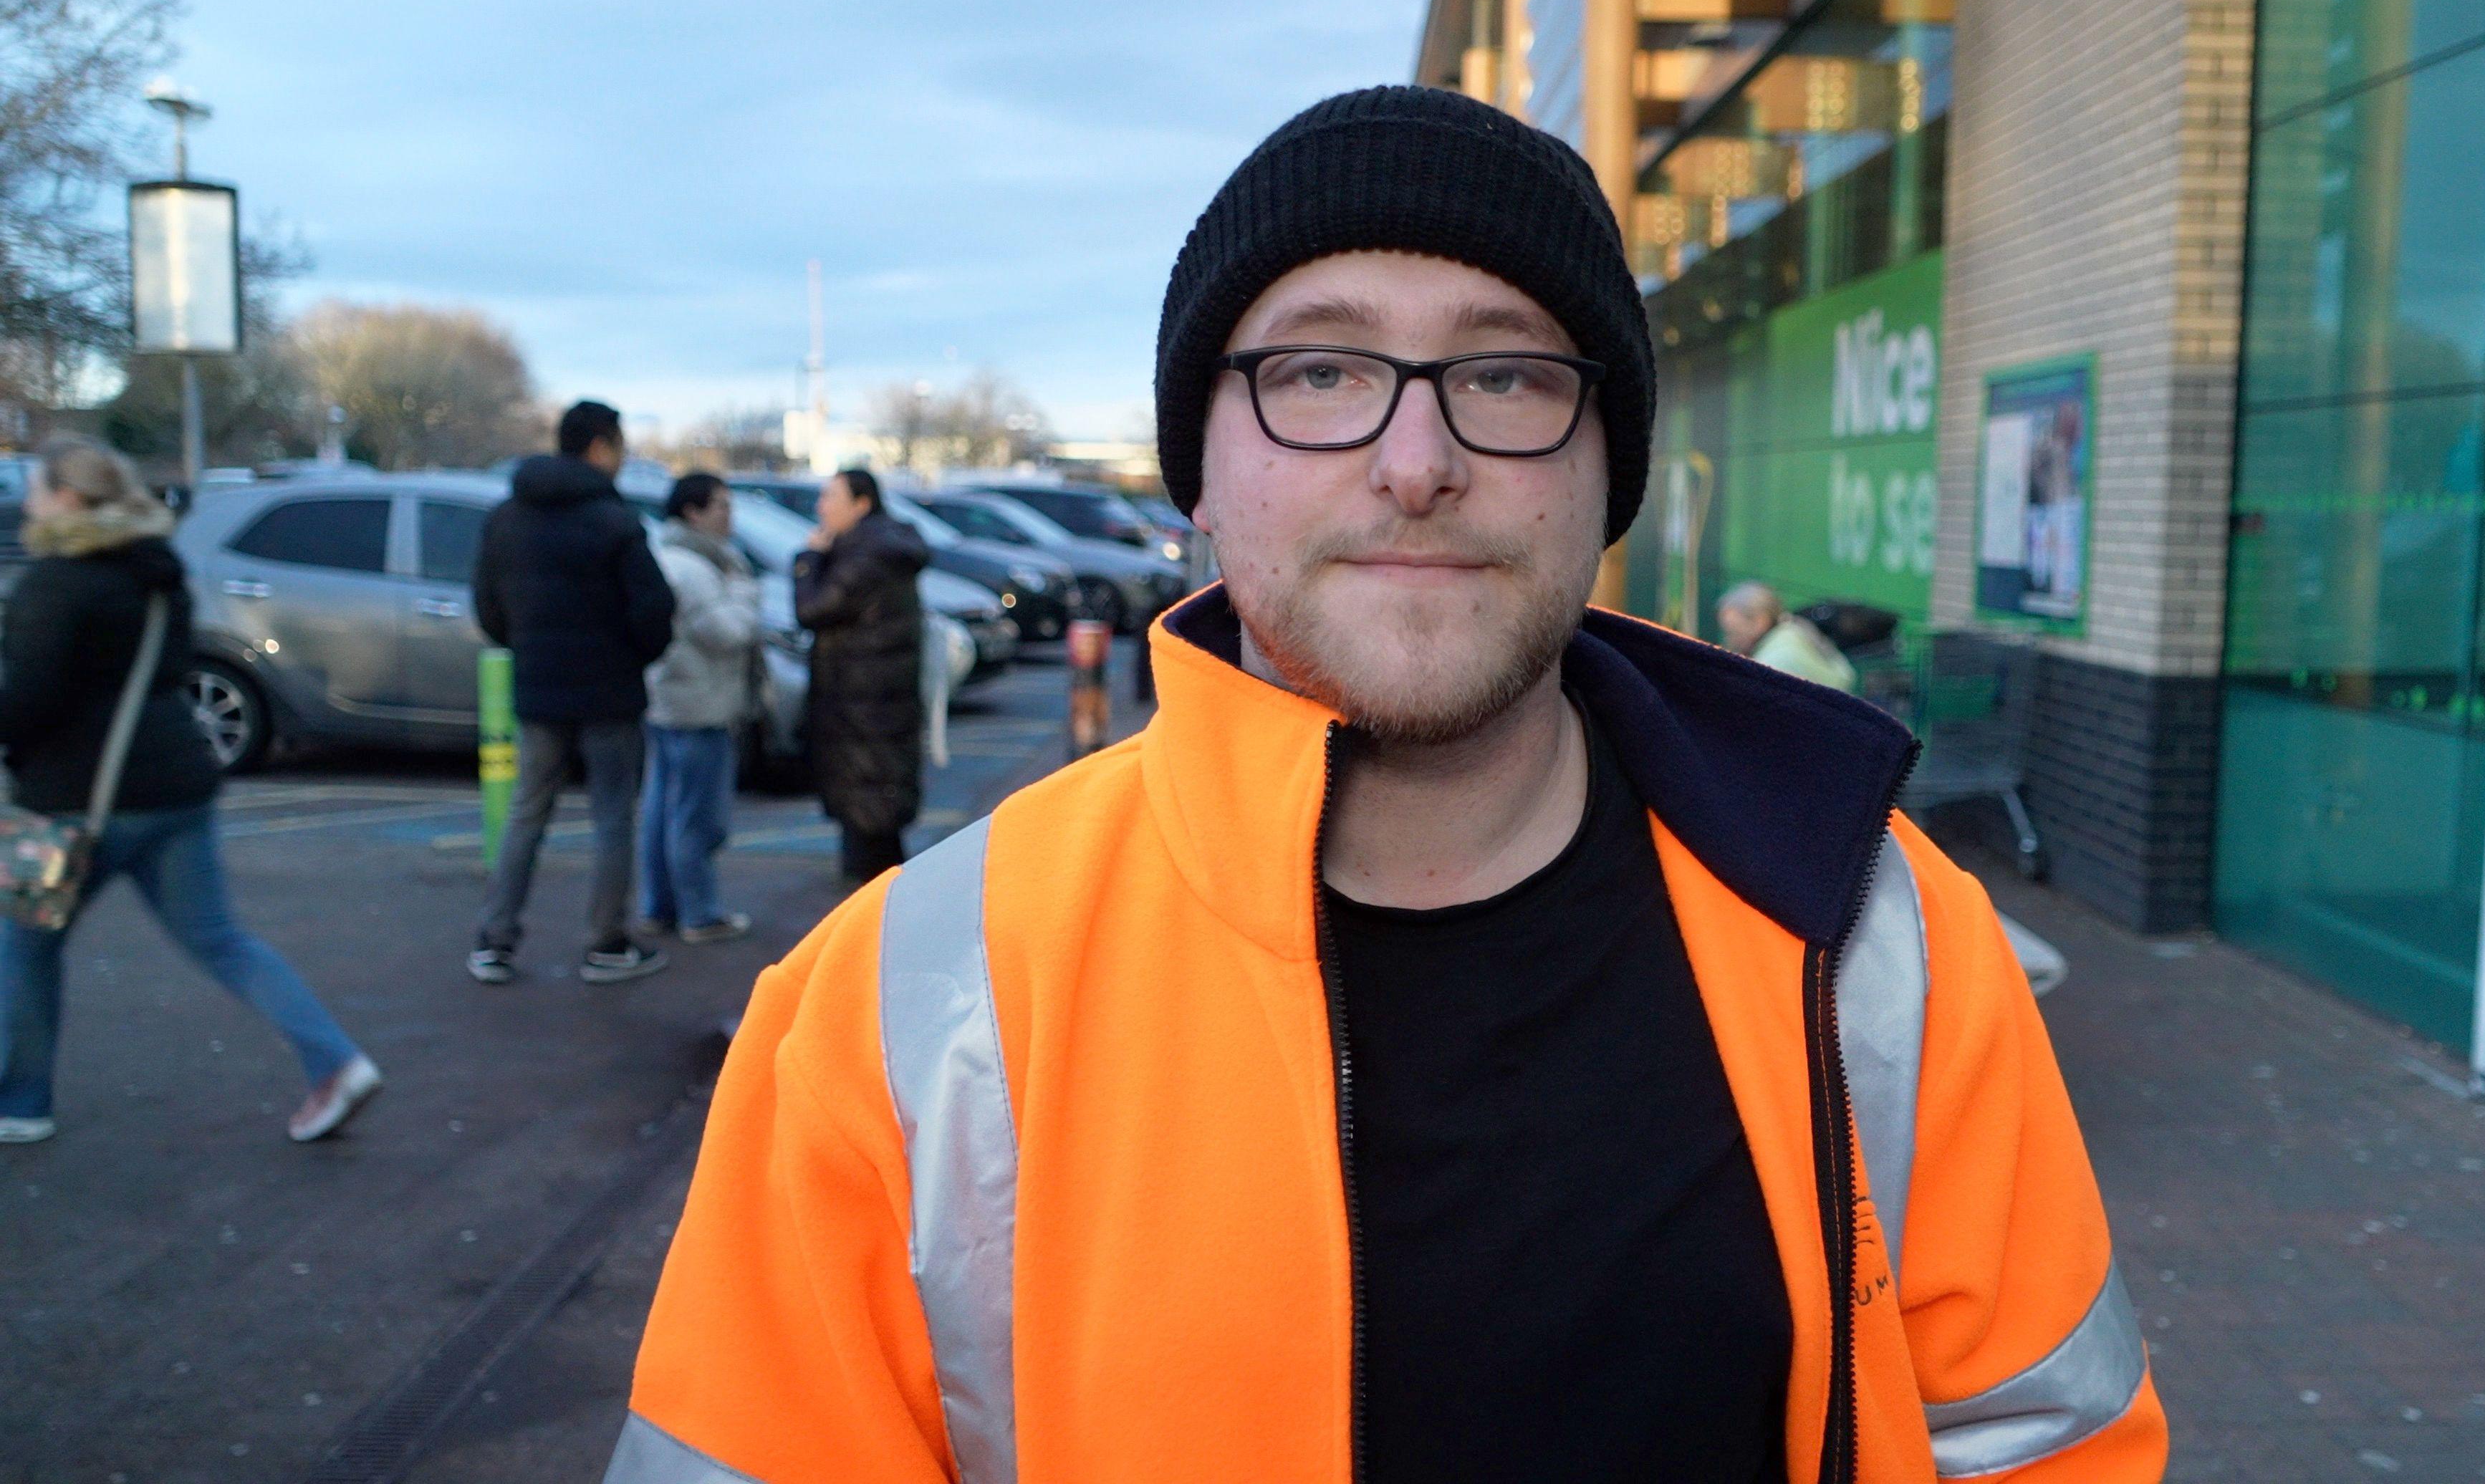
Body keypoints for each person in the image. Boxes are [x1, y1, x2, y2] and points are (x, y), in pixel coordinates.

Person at [611, 88, 2163, 1483]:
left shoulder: (1879, 941)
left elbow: (2051, 1448)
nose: (1416, 458)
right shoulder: (908, 1011)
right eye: (1322, 369)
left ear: (1601, 470)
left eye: (1503, 375)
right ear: (1201, 474)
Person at [0, 435, 379, 1145]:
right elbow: (167, 669)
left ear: (71, 499)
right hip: (178, 783)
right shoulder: (157, 575)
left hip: (77, 800)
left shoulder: (56, 583)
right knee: (221, 941)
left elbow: (30, 700)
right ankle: (335, 1060)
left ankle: (21, 1103)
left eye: (41, 489)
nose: (30, 500)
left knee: (25, 946)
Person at [469, 400, 676, 986]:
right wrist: (635, 656)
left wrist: (527, 646)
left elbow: (488, 607)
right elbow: (655, 609)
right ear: (601, 447)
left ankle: (495, 940)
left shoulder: (507, 517)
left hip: (538, 688)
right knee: (612, 816)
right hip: (609, 692)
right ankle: (605, 942)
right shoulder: (614, 520)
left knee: (526, 813)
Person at [792, 468, 929, 885]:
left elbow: (811, 610)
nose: (821, 508)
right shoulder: (878, 547)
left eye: (831, 498)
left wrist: (807, 561)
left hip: (861, 713)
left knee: (868, 833)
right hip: (872, 710)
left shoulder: (865, 555)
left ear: (862, 504)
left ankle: (872, 934)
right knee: (877, 830)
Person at [638, 473, 759, 945]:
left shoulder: (669, 557)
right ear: (693, 512)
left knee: (662, 810)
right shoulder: (695, 568)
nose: (730, 517)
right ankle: (700, 914)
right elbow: (729, 631)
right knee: (697, 816)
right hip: (698, 704)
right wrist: (747, 592)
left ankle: (661, 907)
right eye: (721, 507)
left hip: (670, 700)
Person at [1719, 579, 1859, 693]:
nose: (1730, 640)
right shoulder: (1794, 630)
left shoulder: (1775, 660)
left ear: (1760, 622)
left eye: (1734, 632)